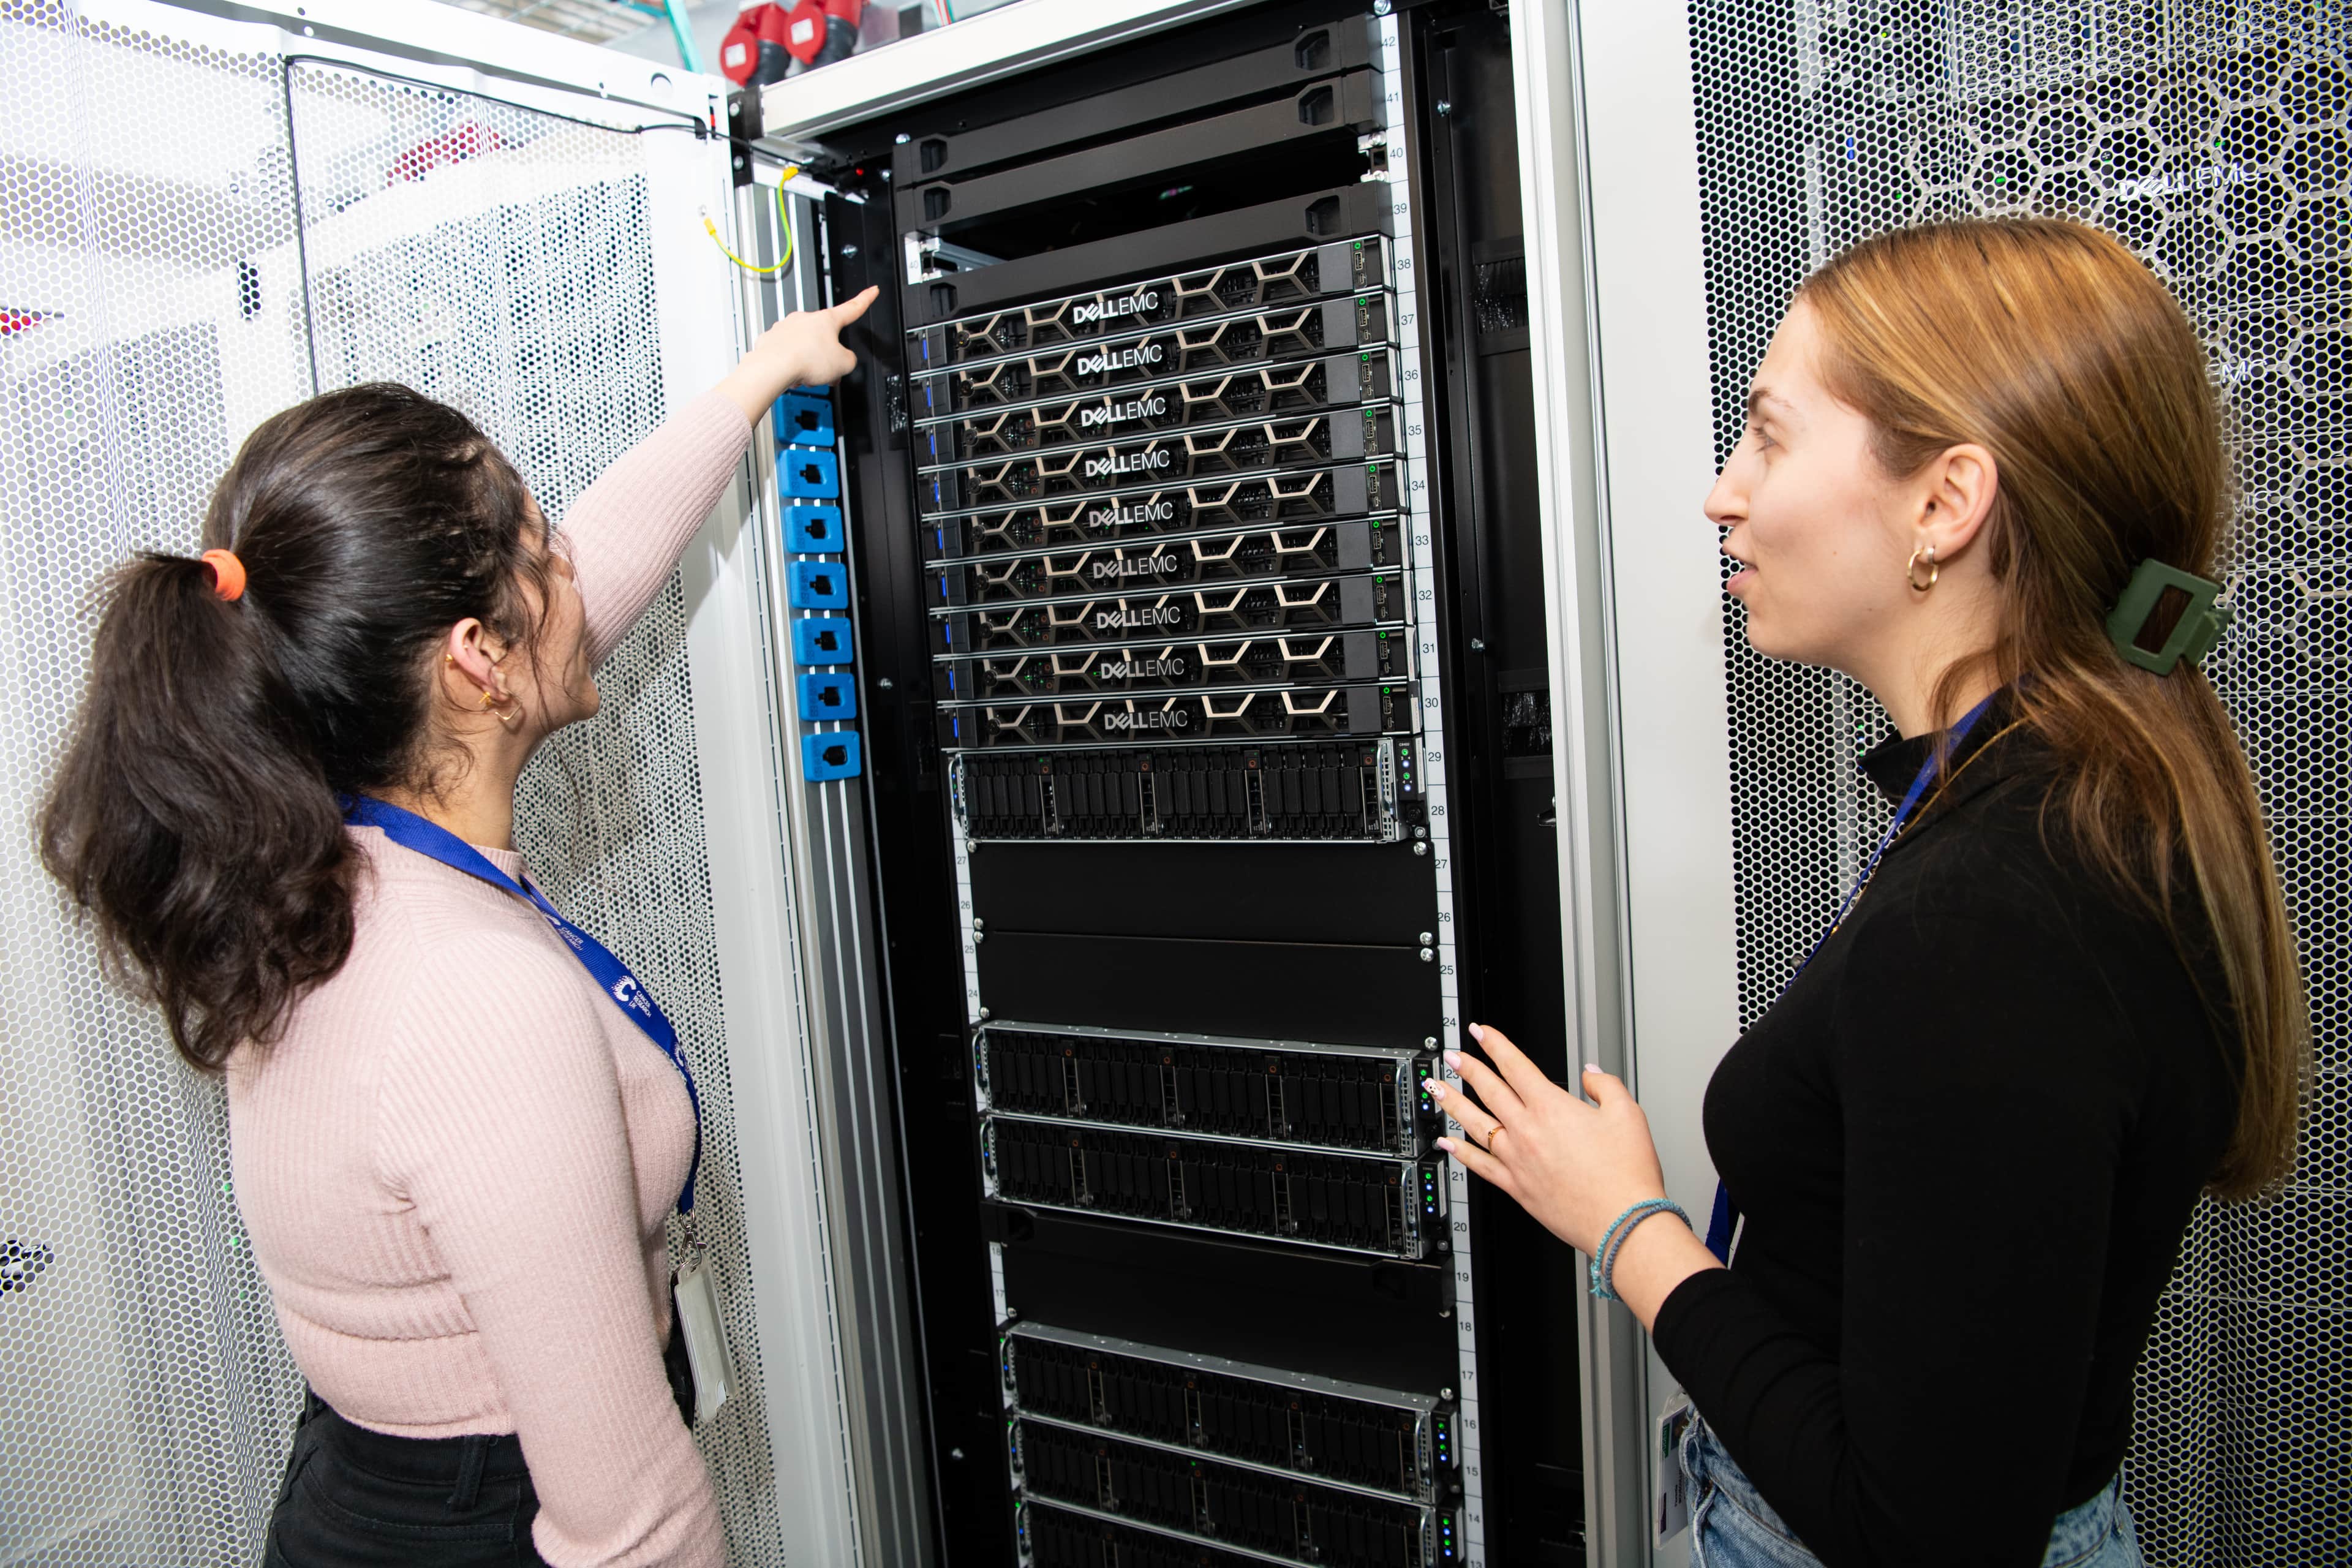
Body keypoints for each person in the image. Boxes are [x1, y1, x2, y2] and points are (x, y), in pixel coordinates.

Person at [1425, 218, 2305, 1568]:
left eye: (1768, 436)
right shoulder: (2056, 803)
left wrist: (1623, 1223)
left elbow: (1920, 1534)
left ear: (1945, 504)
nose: (1723, 493)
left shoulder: (2000, 909)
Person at [41, 284, 880, 1567]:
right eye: (543, 549)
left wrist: (760, 377)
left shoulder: (322, 859)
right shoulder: (469, 998)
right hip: (494, 1521)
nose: (575, 569)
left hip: (387, 1487)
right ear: (476, 658)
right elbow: (630, 1524)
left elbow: (591, 582)